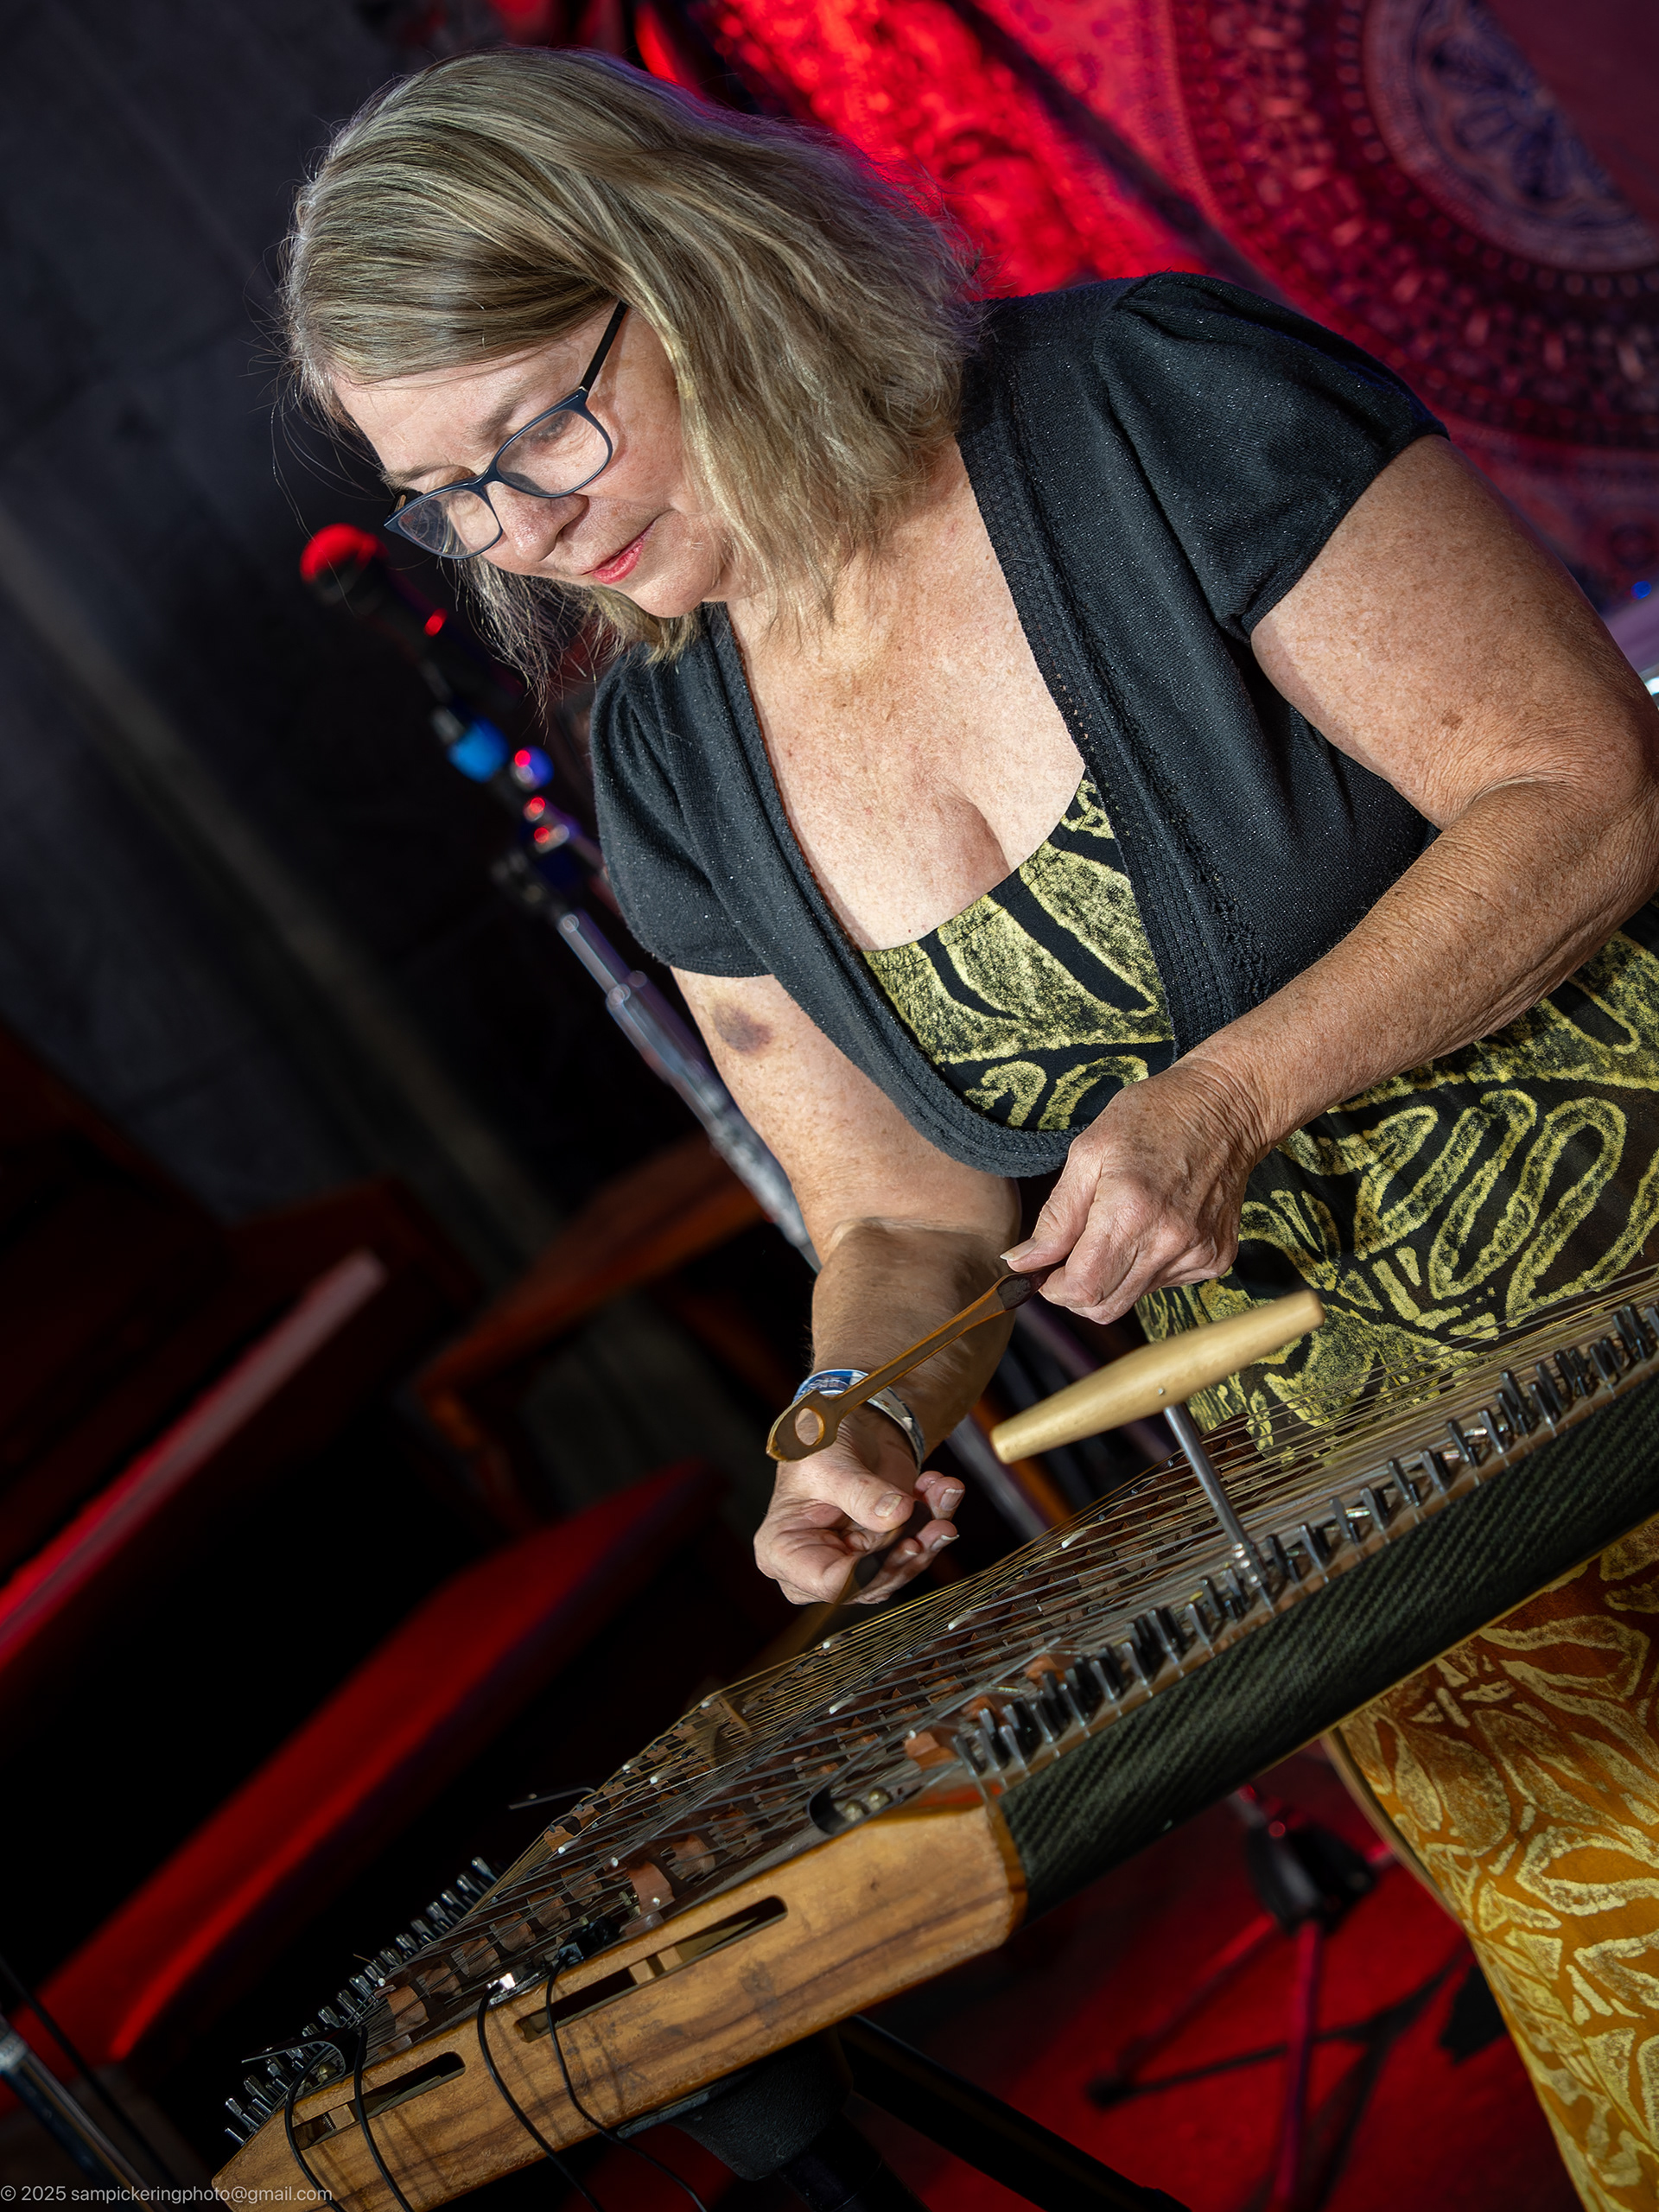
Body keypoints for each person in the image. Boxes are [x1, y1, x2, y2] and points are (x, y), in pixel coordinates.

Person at [283, 48, 1659, 2207]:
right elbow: (902, 1217)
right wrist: (855, 1407)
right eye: (448, 494)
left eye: (539, 427)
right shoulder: (672, 771)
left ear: (694, 269)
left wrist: (1233, 1093)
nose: (520, 531)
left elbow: (1581, 786)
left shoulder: (1149, 406)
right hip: (1387, 1520)